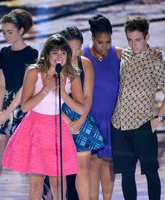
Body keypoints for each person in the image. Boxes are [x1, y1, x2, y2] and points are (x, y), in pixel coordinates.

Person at [2, 34, 85, 200]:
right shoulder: (34, 72)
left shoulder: (72, 75)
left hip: (57, 130)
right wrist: (46, 89)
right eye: (55, 52)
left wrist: (63, 93)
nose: (59, 57)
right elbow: (25, 106)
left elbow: (81, 108)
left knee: (58, 185)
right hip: (35, 128)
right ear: (47, 54)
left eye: (63, 52)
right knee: (37, 185)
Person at [0, 9, 38, 200]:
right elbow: (1, 84)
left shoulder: (32, 53)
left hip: (22, 107)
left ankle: (43, 195)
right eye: (4, 32)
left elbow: (25, 87)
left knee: (31, 161)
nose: (6, 35)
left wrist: (8, 112)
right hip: (4, 106)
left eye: (10, 32)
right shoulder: (4, 52)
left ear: (21, 30)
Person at [111, 16, 164, 200]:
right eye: (130, 40)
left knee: (150, 171)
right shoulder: (124, 54)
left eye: (138, 40)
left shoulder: (155, 62)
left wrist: (159, 118)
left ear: (147, 37)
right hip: (119, 125)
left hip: (143, 125)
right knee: (126, 174)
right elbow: (107, 51)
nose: (133, 45)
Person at [59, 26, 105, 200]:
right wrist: (65, 120)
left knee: (83, 169)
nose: (76, 51)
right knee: (60, 171)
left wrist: (81, 120)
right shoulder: (53, 63)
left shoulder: (85, 63)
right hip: (58, 118)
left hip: (81, 117)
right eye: (72, 48)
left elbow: (88, 95)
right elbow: (49, 98)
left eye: (79, 47)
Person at [83, 14, 121, 200]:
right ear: (92, 39)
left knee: (108, 162)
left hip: (112, 118)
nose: (104, 46)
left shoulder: (120, 54)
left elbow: (142, 60)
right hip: (90, 117)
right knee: (91, 162)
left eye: (108, 42)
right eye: (100, 42)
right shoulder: (82, 55)